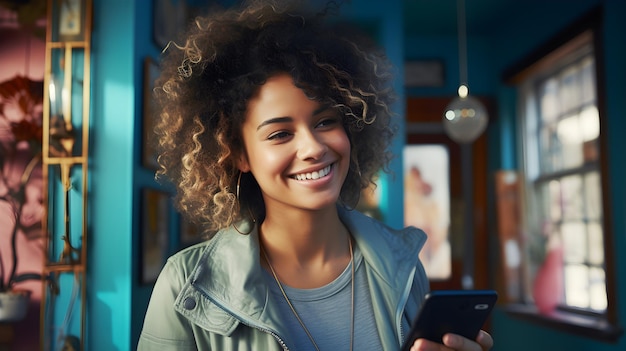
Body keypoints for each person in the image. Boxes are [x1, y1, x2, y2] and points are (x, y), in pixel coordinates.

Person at [138, 1, 494, 350]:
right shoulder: (185, 286)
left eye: (326, 121)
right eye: (280, 134)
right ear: (239, 155)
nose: (313, 147)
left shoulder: (403, 267)